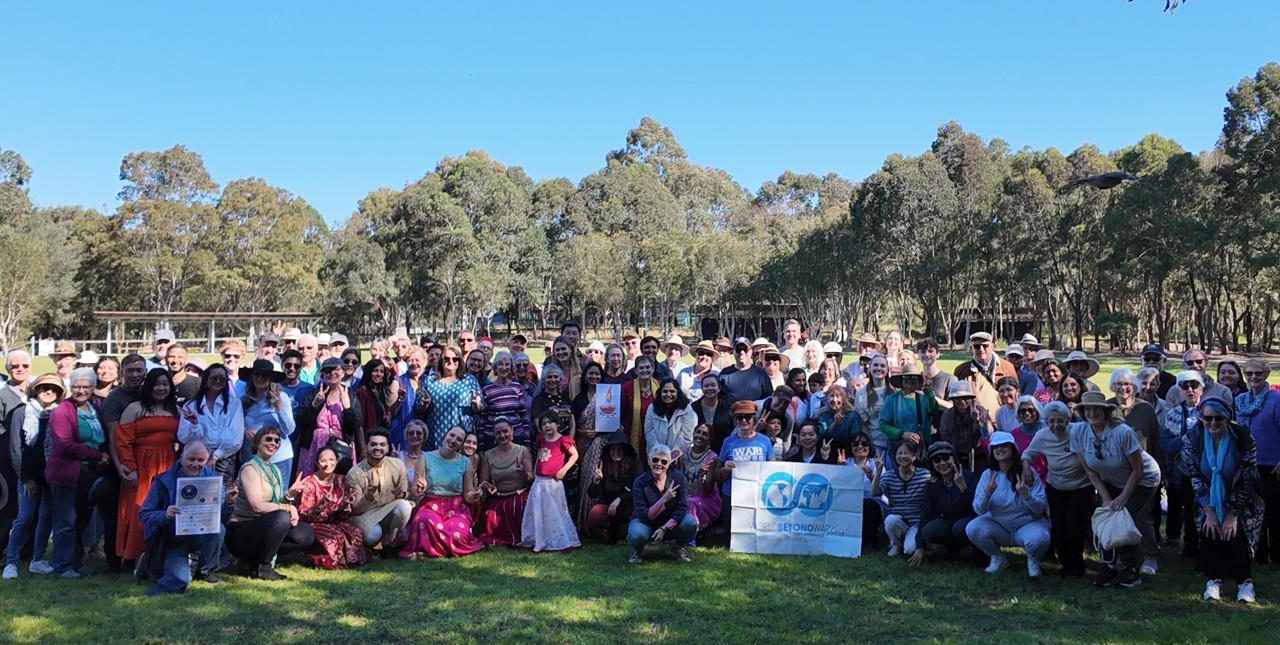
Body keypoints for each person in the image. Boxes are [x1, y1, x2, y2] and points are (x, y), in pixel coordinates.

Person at [1075, 391, 1162, 588]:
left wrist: (1123, 497)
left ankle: (1128, 569)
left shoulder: (1122, 432)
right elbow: (1090, 472)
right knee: (1105, 516)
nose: (1092, 413)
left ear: (1105, 412)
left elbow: (1138, 469)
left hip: (1142, 479)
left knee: (1124, 518)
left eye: (1096, 409)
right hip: (1109, 479)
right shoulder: (1078, 433)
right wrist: (1106, 499)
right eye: (1087, 409)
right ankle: (1109, 566)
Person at [1182, 398, 1261, 602]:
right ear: (1201, 418)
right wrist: (1209, 510)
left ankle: (1245, 583)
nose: (1213, 423)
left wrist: (1232, 514)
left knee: (1234, 535)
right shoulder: (1193, 438)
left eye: (1219, 418)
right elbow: (1195, 476)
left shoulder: (1243, 438)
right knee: (1210, 531)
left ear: (1228, 418)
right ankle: (1214, 580)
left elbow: (1247, 478)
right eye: (1208, 418)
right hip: (1207, 496)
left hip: (1239, 495)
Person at [136, 440, 228, 594]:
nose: (195, 464)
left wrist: (229, 502)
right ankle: (149, 563)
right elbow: (144, 514)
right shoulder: (162, 481)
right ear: (182, 458)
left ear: (207, 461)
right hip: (171, 537)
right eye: (191, 459)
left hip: (199, 532)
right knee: (180, 581)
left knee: (219, 529)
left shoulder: (213, 480)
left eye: (200, 460)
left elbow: (222, 515)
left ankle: (205, 571)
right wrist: (164, 514)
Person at [226, 427, 315, 580]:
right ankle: (263, 567)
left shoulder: (275, 470)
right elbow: (257, 506)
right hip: (242, 529)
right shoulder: (250, 468)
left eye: (276, 440)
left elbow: (275, 504)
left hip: (265, 525)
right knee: (282, 517)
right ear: (257, 443)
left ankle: (255, 559)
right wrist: (288, 507)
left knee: (305, 534)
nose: (273, 443)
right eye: (268, 439)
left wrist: (290, 494)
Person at [115, 369, 180, 564]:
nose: (161, 388)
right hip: (141, 466)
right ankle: (135, 556)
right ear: (148, 386)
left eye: (165, 384)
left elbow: (183, 439)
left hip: (167, 464)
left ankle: (160, 555)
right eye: (156, 384)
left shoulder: (175, 410)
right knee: (139, 508)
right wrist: (131, 468)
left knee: (165, 507)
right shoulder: (135, 408)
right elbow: (122, 442)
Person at [1022, 401, 1093, 578]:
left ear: (1068, 419)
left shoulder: (1078, 430)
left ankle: (1078, 566)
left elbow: (1096, 426)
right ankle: (1065, 564)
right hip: (1056, 487)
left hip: (1081, 487)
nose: (1056, 425)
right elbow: (1027, 454)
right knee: (1059, 526)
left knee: (1074, 524)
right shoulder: (1042, 436)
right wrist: (1025, 468)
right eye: (1051, 421)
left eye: (1060, 421)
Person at [3, 373, 62, 579]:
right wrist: (26, 478)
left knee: (46, 518)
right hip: (28, 476)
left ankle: (37, 559)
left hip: (51, 474)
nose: (48, 391)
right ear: (35, 389)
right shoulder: (22, 412)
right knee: (25, 517)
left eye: (54, 389)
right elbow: (15, 449)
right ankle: (10, 562)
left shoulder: (59, 413)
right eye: (44, 387)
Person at [968, 431, 1051, 576]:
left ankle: (1033, 560)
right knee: (973, 528)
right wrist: (987, 493)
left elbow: (1040, 508)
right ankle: (998, 558)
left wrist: (1026, 495)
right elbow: (979, 510)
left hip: (1027, 524)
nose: (1000, 449)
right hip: (1000, 526)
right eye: (995, 447)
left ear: (1013, 449)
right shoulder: (988, 475)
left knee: (1040, 537)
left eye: (1004, 446)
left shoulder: (1028, 472)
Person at [400, 426, 483, 558]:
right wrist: (420, 488)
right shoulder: (425, 458)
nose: (454, 440)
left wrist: (474, 495)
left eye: (459, 439)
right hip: (430, 506)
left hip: (457, 508)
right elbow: (415, 491)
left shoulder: (465, 462)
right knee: (423, 521)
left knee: (459, 532)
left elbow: (468, 493)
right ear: (445, 436)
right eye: (452, 435)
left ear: (461, 445)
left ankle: (429, 551)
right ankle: (444, 549)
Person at [294, 446, 368, 570]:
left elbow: (344, 514)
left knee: (356, 533)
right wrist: (320, 506)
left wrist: (346, 505)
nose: (328, 464)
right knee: (335, 538)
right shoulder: (310, 483)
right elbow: (304, 515)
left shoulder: (341, 480)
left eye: (331, 460)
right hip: (314, 524)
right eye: (323, 460)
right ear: (317, 463)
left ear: (337, 461)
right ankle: (316, 558)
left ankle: (352, 561)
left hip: (335, 522)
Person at [1237, 359, 1280, 565]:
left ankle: (1277, 555)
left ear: (1266, 375)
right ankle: (1260, 556)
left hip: (1272, 465)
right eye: (1250, 373)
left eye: (1258, 373)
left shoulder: (1275, 399)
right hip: (1247, 464)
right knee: (1254, 511)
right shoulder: (1240, 400)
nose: (1254, 377)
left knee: (1274, 511)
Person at [1161, 370, 1206, 559]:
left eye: (1194, 386)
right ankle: (1190, 550)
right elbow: (1165, 445)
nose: (1190, 390)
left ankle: (1208, 550)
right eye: (1184, 386)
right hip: (1185, 472)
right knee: (1188, 512)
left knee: (1207, 511)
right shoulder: (1173, 415)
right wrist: (1182, 439)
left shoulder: (1211, 410)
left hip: (1208, 471)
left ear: (1201, 389)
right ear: (1179, 390)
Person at [520, 412, 580, 553]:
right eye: (544, 424)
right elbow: (540, 455)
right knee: (539, 512)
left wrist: (564, 470)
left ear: (557, 424)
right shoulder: (541, 439)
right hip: (540, 482)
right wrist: (535, 473)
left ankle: (561, 539)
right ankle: (539, 539)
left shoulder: (563, 440)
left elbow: (575, 455)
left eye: (550, 422)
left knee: (556, 511)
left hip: (553, 483)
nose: (547, 426)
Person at [346, 429, 413, 555]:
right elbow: (355, 510)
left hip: (389, 510)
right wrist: (368, 496)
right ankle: (374, 546)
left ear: (387, 448)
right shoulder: (354, 473)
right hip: (365, 515)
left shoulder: (397, 465)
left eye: (382, 444)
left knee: (405, 506)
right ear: (367, 446)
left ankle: (389, 545)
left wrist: (401, 494)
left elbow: (406, 494)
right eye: (374, 444)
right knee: (373, 535)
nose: (378, 448)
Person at [627, 442, 696, 564]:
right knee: (637, 534)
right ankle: (636, 550)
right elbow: (642, 515)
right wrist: (663, 500)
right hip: (645, 523)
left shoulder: (678, 478)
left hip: (669, 524)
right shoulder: (640, 482)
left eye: (664, 462)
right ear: (648, 461)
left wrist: (664, 528)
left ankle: (678, 548)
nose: (659, 464)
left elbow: (682, 508)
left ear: (669, 464)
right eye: (655, 460)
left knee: (690, 523)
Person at [178, 364, 244, 487]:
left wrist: (216, 456)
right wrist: (194, 424)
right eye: (214, 378)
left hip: (224, 457)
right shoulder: (191, 405)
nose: (218, 381)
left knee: (222, 495)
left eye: (222, 378)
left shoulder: (234, 404)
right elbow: (183, 436)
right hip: (196, 457)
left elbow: (235, 435)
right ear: (206, 380)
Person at [714, 400, 776, 532]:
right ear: (735, 419)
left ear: (754, 418)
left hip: (757, 494)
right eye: (739, 417)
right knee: (731, 533)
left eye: (747, 417)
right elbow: (717, 473)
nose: (744, 420)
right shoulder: (728, 442)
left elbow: (773, 469)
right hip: (732, 494)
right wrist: (725, 469)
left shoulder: (764, 441)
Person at [295, 357, 361, 479]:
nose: (332, 374)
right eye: (327, 371)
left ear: (342, 372)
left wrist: (347, 408)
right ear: (323, 374)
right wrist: (314, 405)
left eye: (336, 370)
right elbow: (301, 421)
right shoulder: (313, 393)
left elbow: (354, 427)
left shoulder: (351, 395)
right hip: (314, 446)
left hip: (341, 447)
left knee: (340, 484)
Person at [917, 441, 978, 564]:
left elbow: (978, 508)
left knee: (959, 527)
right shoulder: (933, 484)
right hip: (949, 521)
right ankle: (953, 549)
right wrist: (919, 547)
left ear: (953, 458)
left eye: (946, 458)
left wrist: (963, 489)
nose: (942, 463)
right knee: (929, 530)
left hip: (970, 520)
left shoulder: (969, 477)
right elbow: (925, 514)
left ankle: (977, 550)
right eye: (937, 460)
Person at [477, 418, 534, 546]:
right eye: (498, 433)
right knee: (491, 516)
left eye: (505, 431)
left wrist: (523, 473)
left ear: (512, 431)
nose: (502, 435)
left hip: (519, 495)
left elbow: (531, 477)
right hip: (498, 497)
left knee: (515, 508)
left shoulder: (523, 451)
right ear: (494, 435)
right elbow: (483, 482)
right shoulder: (488, 455)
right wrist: (489, 487)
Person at [239, 359, 296, 481]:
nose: (260, 378)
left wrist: (280, 409)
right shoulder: (243, 400)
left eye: (264, 375)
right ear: (251, 376)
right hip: (251, 457)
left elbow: (289, 430)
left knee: (278, 497)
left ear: (270, 378)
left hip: (278, 458)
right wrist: (244, 430)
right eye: (257, 374)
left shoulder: (282, 398)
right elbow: (234, 426)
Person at [422, 345, 482, 451]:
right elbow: (420, 409)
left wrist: (476, 405)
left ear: (459, 361)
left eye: (455, 359)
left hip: (462, 435)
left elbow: (480, 409)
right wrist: (424, 404)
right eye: (447, 359)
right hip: (436, 436)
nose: (451, 362)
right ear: (441, 361)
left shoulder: (469, 380)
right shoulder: (430, 381)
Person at [878, 440, 929, 559]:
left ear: (914, 456)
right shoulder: (889, 475)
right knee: (890, 520)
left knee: (909, 550)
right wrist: (878, 472)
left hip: (916, 522)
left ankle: (917, 543)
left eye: (906, 453)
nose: (903, 456)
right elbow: (875, 491)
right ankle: (895, 544)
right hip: (898, 519)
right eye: (899, 453)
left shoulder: (924, 475)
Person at [585, 432, 637, 544]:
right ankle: (612, 535)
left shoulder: (635, 464)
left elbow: (638, 488)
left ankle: (625, 531)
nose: (616, 452)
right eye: (613, 449)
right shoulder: (604, 465)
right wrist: (596, 481)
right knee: (595, 515)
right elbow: (592, 494)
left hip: (628, 506)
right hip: (609, 508)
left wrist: (620, 499)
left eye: (620, 449)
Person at [952, 332, 1017, 422]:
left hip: (1003, 420)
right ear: (972, 348)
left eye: (985, 346)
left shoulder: (1007, 367)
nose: (981, 349)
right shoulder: (962, 370)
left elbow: (1016, 394)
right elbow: (956, 400)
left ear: (992, 346)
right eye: (977, 346)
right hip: (973, 423)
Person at [570, 363, 606, 525]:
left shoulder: (606, 396)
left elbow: (610, 421)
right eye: (591, 374)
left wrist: (600, 431)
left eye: (597, 374)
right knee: (583, 479)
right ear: (585, 376)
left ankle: (595, 520)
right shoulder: (579, 399)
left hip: (599, 444)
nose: (594, 377)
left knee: (595, 477)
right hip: (583, 444)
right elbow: (573, 425)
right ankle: (582, 521)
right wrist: (584, 433)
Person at [675, 423, 721, 539]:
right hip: (682, 494)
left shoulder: (712, 458)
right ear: (693, 434)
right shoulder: (682, 452)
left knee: (691, 502)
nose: (700, 436)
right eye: (698, 432)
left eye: (705, 434)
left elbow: (706, 491)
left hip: (704, 499)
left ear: (710, 439)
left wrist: (702, 476)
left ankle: (689, 538)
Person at [880, 363, 940, 448]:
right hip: (899, 448)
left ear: (919, 381)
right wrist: (901, 434)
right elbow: (883, 425)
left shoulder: (924, 398)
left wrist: (928, 391)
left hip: (921, 447)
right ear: (901, 380)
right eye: (906, 377)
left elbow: (934, 410)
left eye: (914, 377)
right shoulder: (891, 400)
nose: (910, 380)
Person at [936, 380, 992, 471]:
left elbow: (989, 435)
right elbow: (945, 437)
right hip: (956, 455)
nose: (962, 402)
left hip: (980, 455)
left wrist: (979, 422)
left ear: (971, 398)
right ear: (953, 399)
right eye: (958, 398)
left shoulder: (981, 412)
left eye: (966, 398)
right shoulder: (947, 415)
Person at [482, 352, 532, 451]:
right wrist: (481, 445)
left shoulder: (517, 387)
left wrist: (527, 442)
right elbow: (483, 419)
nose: (504, 367)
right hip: (494, 438)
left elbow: (523, 416)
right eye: (500, 364)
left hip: (516, 437)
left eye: (507, 364)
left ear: (511, 368)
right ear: (495, 367)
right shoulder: (487, 390)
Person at [846, 431, 886, 549]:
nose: (860, 447)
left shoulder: (876, 463)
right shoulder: (845, 462)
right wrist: (841, 469)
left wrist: (872, 476)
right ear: (850, 446)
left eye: (864, 443)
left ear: (870, 446)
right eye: (856, 444)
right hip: (850, 502)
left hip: (873, 503)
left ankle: (869, 538)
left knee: (867, 505)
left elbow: (883, 487)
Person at [1165, 349, 1234, 412]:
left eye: (1199, 361)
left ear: (1206, 363)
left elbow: (1226, 418)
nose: (1195, 365)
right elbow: (1168, 418)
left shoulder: (1223, 391)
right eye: (1190, 362)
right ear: (1184, 365)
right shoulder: (1174, 391)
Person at [644, 379, 696, 457]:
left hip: (678, 458)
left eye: (672, 391)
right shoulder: (652, 408)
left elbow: (686, 438)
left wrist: (671, 457)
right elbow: (649, 433)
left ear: (678, 392)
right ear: (660, 392)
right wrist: (660, 456)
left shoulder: (687, 410)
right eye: (665, 391)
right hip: (655, 456)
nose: (668, 394)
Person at [620, 356, 659, 457]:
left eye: (647, 367)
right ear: (636, 371)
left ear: (653, 369)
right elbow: (621, 411)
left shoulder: (660, 386)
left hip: (655, 435)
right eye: (641, 368)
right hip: (632, 434)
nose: (644, 370)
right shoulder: (627, 387)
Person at [855, 354, 892, 454]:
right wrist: (870, 444)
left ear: (888, 369)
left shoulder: (895, 392)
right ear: (870, 368)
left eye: (882, 366)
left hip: (893, 444)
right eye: (875, 365)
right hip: (875, 443)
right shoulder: (861, 394)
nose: (879, 368)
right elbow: (863, 424)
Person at [718, 338, 772, 405]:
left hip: (756, 414)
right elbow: (718, 400)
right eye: (738, 349)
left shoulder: (760, 374)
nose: (742, 352)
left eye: (745, 349)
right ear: (733, 352)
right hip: (731, 414)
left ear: (751, 352)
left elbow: (769, 398)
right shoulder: (725, 374)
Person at [531, 364, 575, 438]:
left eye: (556, 377)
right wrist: (554, 441)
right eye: (549, 377)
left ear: (560, 379)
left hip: (567, 442)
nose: (553, 380)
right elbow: (539, 427)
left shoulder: (566, 398)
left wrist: (569, 441)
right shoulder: (538, 400)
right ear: (543, 380)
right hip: (549, 442)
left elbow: (572, 423)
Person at [815, 385, 861, 454]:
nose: (834, 400)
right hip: (826, 451)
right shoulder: (823, 415)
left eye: (838, 396)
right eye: (832, 396)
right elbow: (822, 435)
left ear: (843, 399)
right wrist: (835, 424)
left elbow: (855, 437)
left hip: (846, 451)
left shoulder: (852, 415)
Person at [694, 373, 733, 453]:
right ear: (702, 389)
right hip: (699, 452)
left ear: (719, 388)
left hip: (723, 450)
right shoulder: (694, 407)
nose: (710, 388)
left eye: (713, 385)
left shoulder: (727, 406)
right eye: (706, 386)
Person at [278, 350, 315, 416]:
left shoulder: (310, 389)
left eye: (296, 366)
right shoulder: (274, 387)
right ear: (282, 365)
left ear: (301, 367)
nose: (292, 368)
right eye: (288, 365)